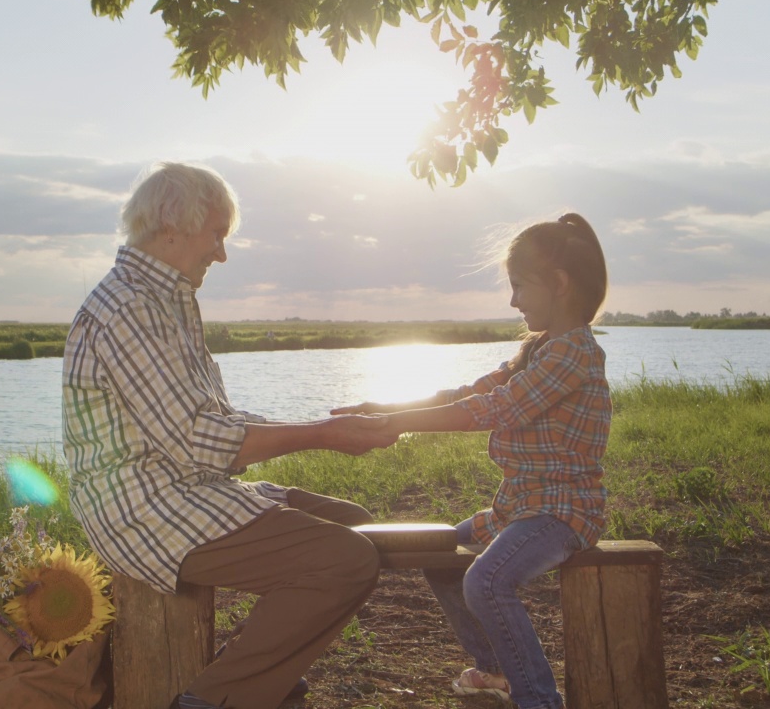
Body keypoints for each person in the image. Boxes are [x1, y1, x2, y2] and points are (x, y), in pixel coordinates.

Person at [62, 161, 398, 709]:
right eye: (216, 234)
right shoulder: (130, 307)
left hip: (184, 488)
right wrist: (324, 434)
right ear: (172, 226)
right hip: (144, 509)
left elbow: (214, 419)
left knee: (358, 526)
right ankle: (211, 700)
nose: (221, 252)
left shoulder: (166, 299)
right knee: (345, 559)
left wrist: (328, 423)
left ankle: (255, 682)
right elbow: (202, 440)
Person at [333, 213, 610, 709]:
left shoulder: (573, 355)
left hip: (562, 513)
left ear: (560, 284)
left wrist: (399, 427)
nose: (513, 300)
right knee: (438, 557)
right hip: (519, 509)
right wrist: (387, 408)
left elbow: (492, 409)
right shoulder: (540, 349)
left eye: (519, 286)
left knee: (487, 580)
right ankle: (496, 672)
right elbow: (470, 392)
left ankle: (540, 701)